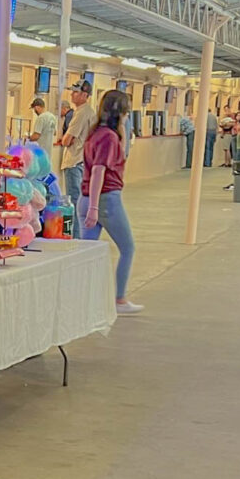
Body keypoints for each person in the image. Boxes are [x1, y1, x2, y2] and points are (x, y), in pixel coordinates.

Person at [78, 89, 140, 315]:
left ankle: (82, 298)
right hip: (105, 200)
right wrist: (95, 207)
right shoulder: (109, 137)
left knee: (87, 255)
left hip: (86, 199)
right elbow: (98, 171)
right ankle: (119, 299)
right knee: (128, 248)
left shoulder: (95, 134)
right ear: (121, 112)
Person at [58, 79, 97, 238]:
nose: (72, 94)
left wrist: (65, 139)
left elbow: (67, 140)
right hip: (84, 162)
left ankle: (76, 238)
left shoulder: (80, 113)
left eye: (75, 92)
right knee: (81, 202)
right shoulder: (90, 112)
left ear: (84, 95)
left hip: (74, 162)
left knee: (74, 203)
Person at [28, 96, 57, 169]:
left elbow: (36, 136)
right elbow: (54, 133)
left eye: (34, 109)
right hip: (49, 152)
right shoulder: (52, 117)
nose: (34, 111)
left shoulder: (41, 118)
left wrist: (28, 138)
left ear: (37, 107)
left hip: (40, 152)